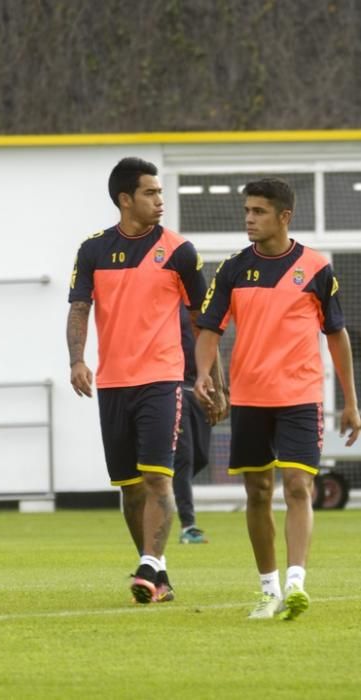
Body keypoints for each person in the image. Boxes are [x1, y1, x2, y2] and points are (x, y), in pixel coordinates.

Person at [194, 177, 361, 621]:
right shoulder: (232, 269)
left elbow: (337, 336)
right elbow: (209, 330)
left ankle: (295, 583)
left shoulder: (317, 268)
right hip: (250, 397)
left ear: (284, 216)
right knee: (258, 491)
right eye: (247, 210)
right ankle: (267, 590)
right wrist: (204, 376)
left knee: (298, 485)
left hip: (300, 396)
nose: (249, 218)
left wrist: (350, 400)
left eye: (259, 211)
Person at [67, 157, 227, 604]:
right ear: (125, 199)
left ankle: (149, 566)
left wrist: (214, 380)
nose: (160, 200)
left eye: (160, 192)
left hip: (162, 379)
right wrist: (77, 360)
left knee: (158, 478)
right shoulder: (93, 250)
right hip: (113, 384)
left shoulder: (179, 251)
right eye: (151, 193)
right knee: (130, 487)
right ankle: (157, 572)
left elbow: (204, 321)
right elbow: (79, 307)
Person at [174, 303, 214, 544]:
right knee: (185, 457)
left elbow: (211, 344)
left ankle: (163, 485)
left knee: (201, 456)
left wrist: (216, 383)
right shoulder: (170, 304)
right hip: (173, 386)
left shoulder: (201, 306)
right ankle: (188, 525)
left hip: (197, 387)